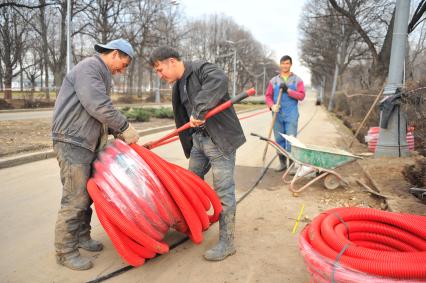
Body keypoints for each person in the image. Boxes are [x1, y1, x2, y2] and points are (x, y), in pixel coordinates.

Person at [149, 46, 245, 261]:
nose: (159, 75)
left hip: (219, 140)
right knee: (190, 184)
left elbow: (218, 80)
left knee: (223, 191)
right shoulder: (178, 86)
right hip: (199, 141)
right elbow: (184, 117)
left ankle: (227, 242)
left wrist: (199, 109)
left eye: (159, 69)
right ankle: (194, 222)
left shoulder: (201, 68)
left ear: (172, 61)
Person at [52, 39, 140, 270]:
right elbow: (97, 105)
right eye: (124, 62)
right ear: (114, 54)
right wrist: (123, 126)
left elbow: (97, 112)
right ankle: (65, 250)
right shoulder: (90, 67)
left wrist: (115, 131)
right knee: (75, 198)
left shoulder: (100, 73)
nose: (123, 69)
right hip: (73, 141)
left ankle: (81, 236)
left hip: (85, 142)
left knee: (88, 194)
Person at [264, 55, 305, 171]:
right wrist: (272, 106)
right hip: (277, 114)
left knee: (291, 139)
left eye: (287, 63)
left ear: (291, 65)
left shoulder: (297, 80)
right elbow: (268, 96)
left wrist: (288, 90)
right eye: (283, 63)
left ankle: (292, 166)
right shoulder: (273, 81)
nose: (285, 65)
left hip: (291, 113)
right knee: (279, 139)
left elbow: (301, 96)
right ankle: (282, 164)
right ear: (280, 64)